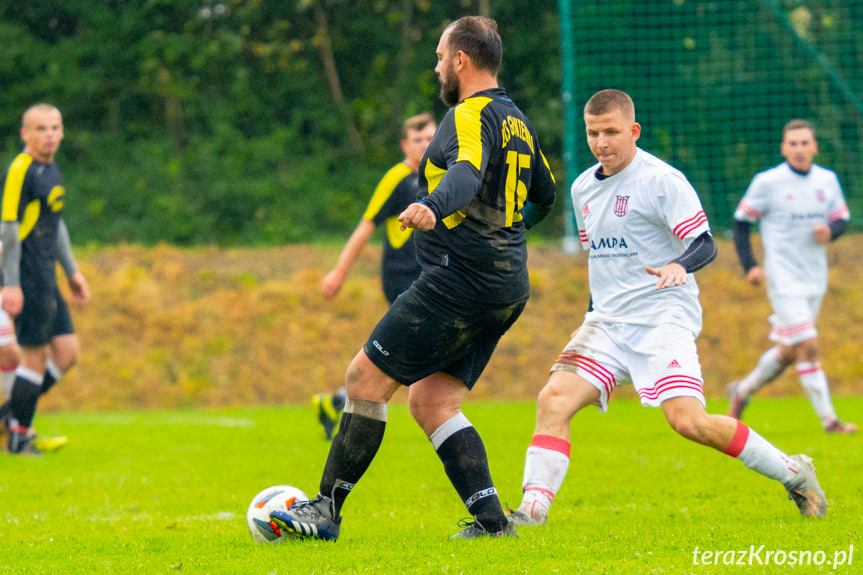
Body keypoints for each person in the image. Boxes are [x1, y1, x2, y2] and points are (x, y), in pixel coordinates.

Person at [268, 16, 556, 540]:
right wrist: (508, 236)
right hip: (507, 286)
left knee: (363, 380)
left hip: (458, 282)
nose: (437, 65)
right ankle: (493, 524)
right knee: (432, 401)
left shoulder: (467, 114)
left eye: (441, 55)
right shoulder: (518, 121)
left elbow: (466, 173)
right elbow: (545, 193)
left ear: (461, 61)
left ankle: (326, 512)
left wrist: (431, 204)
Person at [508, 89, 827, 528]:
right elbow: (602, 261)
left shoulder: (661, 180)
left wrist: (679, 264)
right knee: (553, 399)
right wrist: (591, 316)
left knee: (688, 422)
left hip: (662, 317)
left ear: (633, 131)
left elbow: (705, 243)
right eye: (593, 133)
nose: (602, 142)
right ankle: (532, 512)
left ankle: (794, 473)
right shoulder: (583, 188)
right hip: (606, 322)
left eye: (612, 132)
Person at [727, 120, 856, 434]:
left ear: (814, 147)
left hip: (815, 278)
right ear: (783, 148)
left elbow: (842, 219)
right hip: (782, 279)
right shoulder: (768, 182)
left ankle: (741, 392)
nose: (799, 149)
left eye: (804, 143)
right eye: (793, 144)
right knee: (808, 344)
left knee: (788, 353)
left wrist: (832, 231)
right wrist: (751, 267)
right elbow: (741, 223)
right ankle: (830, 421)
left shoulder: (827, 180)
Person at [314, 112, 437, 440]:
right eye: (418, 140)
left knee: (406, 348)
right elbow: (365, 226)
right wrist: (339, 273)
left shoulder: (440, 177)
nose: (425, 146)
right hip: (401, 278)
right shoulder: (398, 178)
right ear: (404, 145)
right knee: (412, 347)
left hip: (427, 277)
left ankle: (339, 401)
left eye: (430, 138)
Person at [0, 103, 90, 455]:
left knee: (67, 353)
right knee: (32, 358)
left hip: (46, 275)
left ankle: (10, 416)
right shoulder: (21, 170)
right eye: (40, 128)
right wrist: (10, 283)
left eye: (54, 127)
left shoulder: (50, 169)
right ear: (25, 134)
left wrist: (72, 271)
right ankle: (20, 437)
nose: (49, 134)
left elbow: (56, 224)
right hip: (25, 275)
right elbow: (8, 230)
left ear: (63, 132)